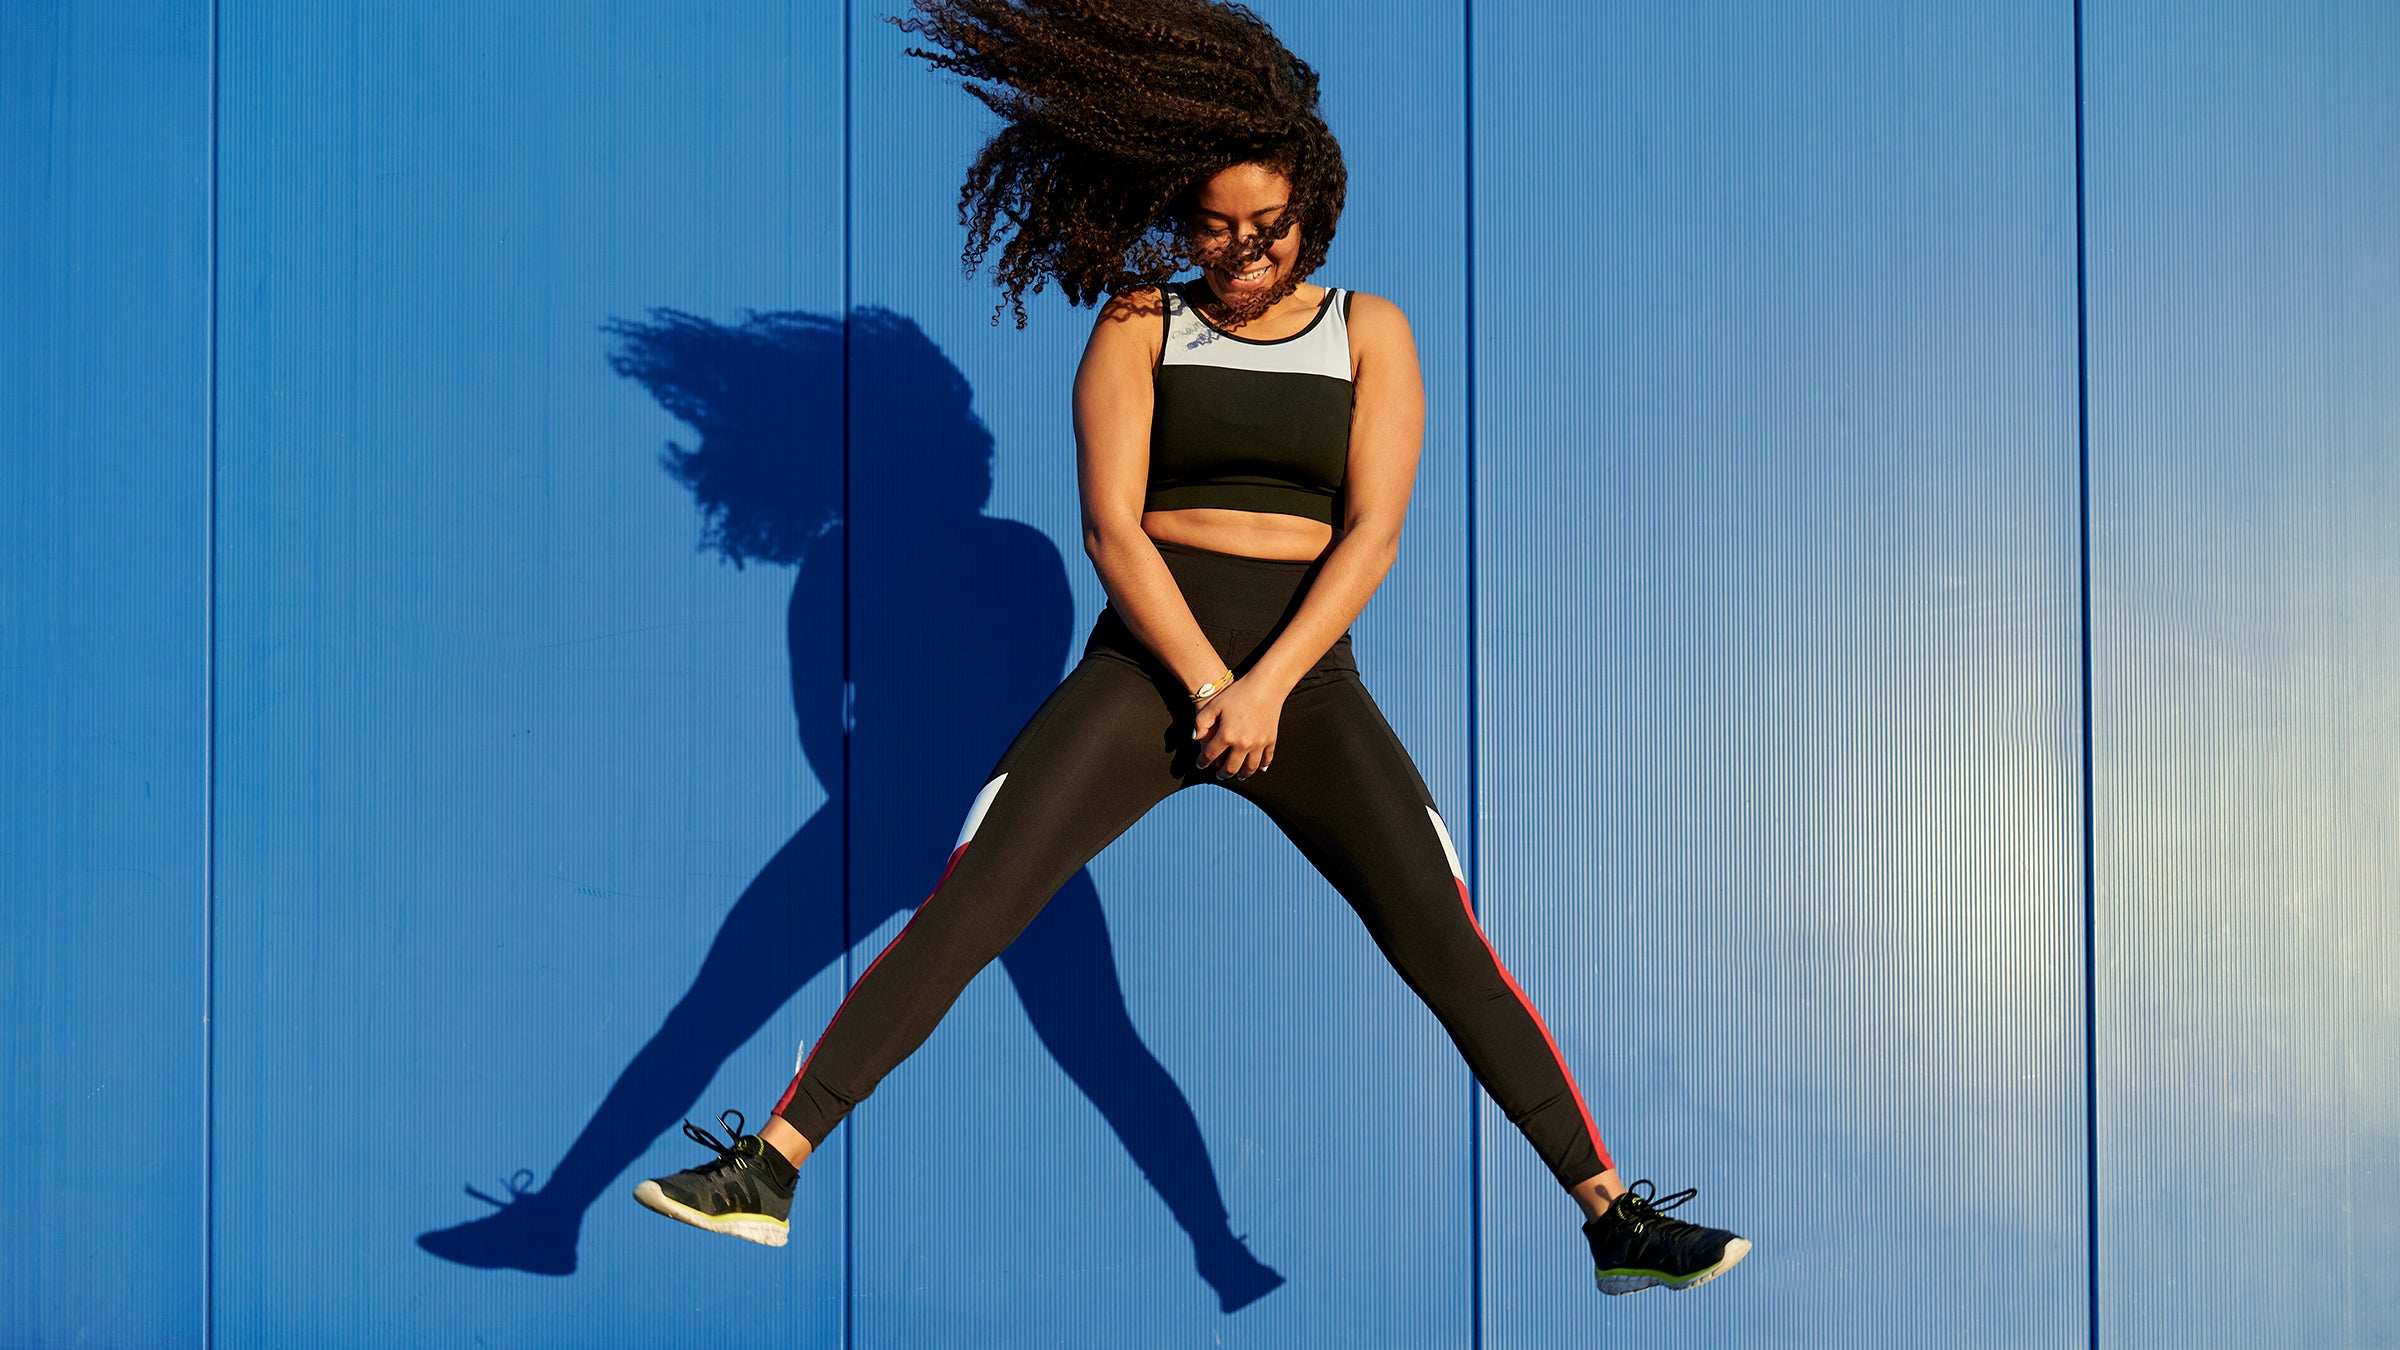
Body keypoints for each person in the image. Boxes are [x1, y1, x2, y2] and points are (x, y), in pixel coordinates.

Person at [632, 0, 1749, 1298]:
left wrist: (1268, 684)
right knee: (972, 899)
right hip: (1146, 672)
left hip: (1304, 681)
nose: (1238, 248)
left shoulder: (1370, 332)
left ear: (1312, 212)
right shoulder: (1137, 319)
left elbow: (1373, 535)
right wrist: (1209, 685)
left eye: (1264, 226)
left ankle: (1612, 1216)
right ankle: (769, 1165)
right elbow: (1114, 528)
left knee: (1443, 935)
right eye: (1214, 223)